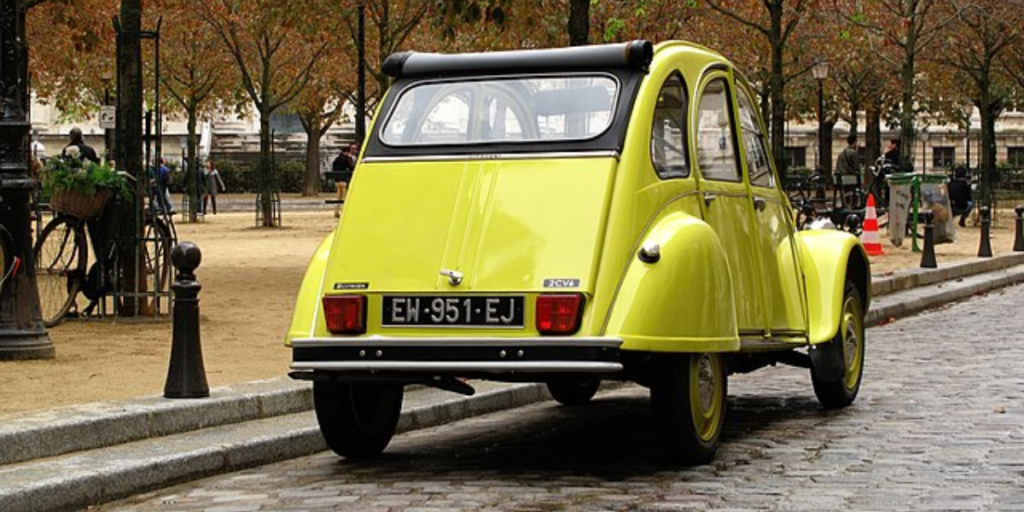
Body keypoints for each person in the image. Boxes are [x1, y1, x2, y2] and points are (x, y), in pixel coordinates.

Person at [331, 142, 357, 218]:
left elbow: (334, 167)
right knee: (345, 197)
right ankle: (344, 211)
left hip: (337, 181)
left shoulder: (337, 159)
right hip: (344, 180)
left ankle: (336, 211)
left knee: (339, 197)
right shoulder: (346, 159)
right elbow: (351, 168)